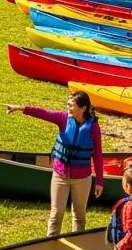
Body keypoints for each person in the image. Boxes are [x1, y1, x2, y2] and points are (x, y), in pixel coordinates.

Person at [6, 91, 105, 236]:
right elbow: (44, 114)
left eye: (71, 105)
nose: (68, 108)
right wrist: (21, 108)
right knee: (56, 215)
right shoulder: (63, 119)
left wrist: (100, 182)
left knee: (79, 217)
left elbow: (97, 155)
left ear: (83, 108)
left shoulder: (93, 128)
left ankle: (76, 245)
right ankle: (50, 246)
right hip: (60, 176)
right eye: (68, 105)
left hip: (82, 179)